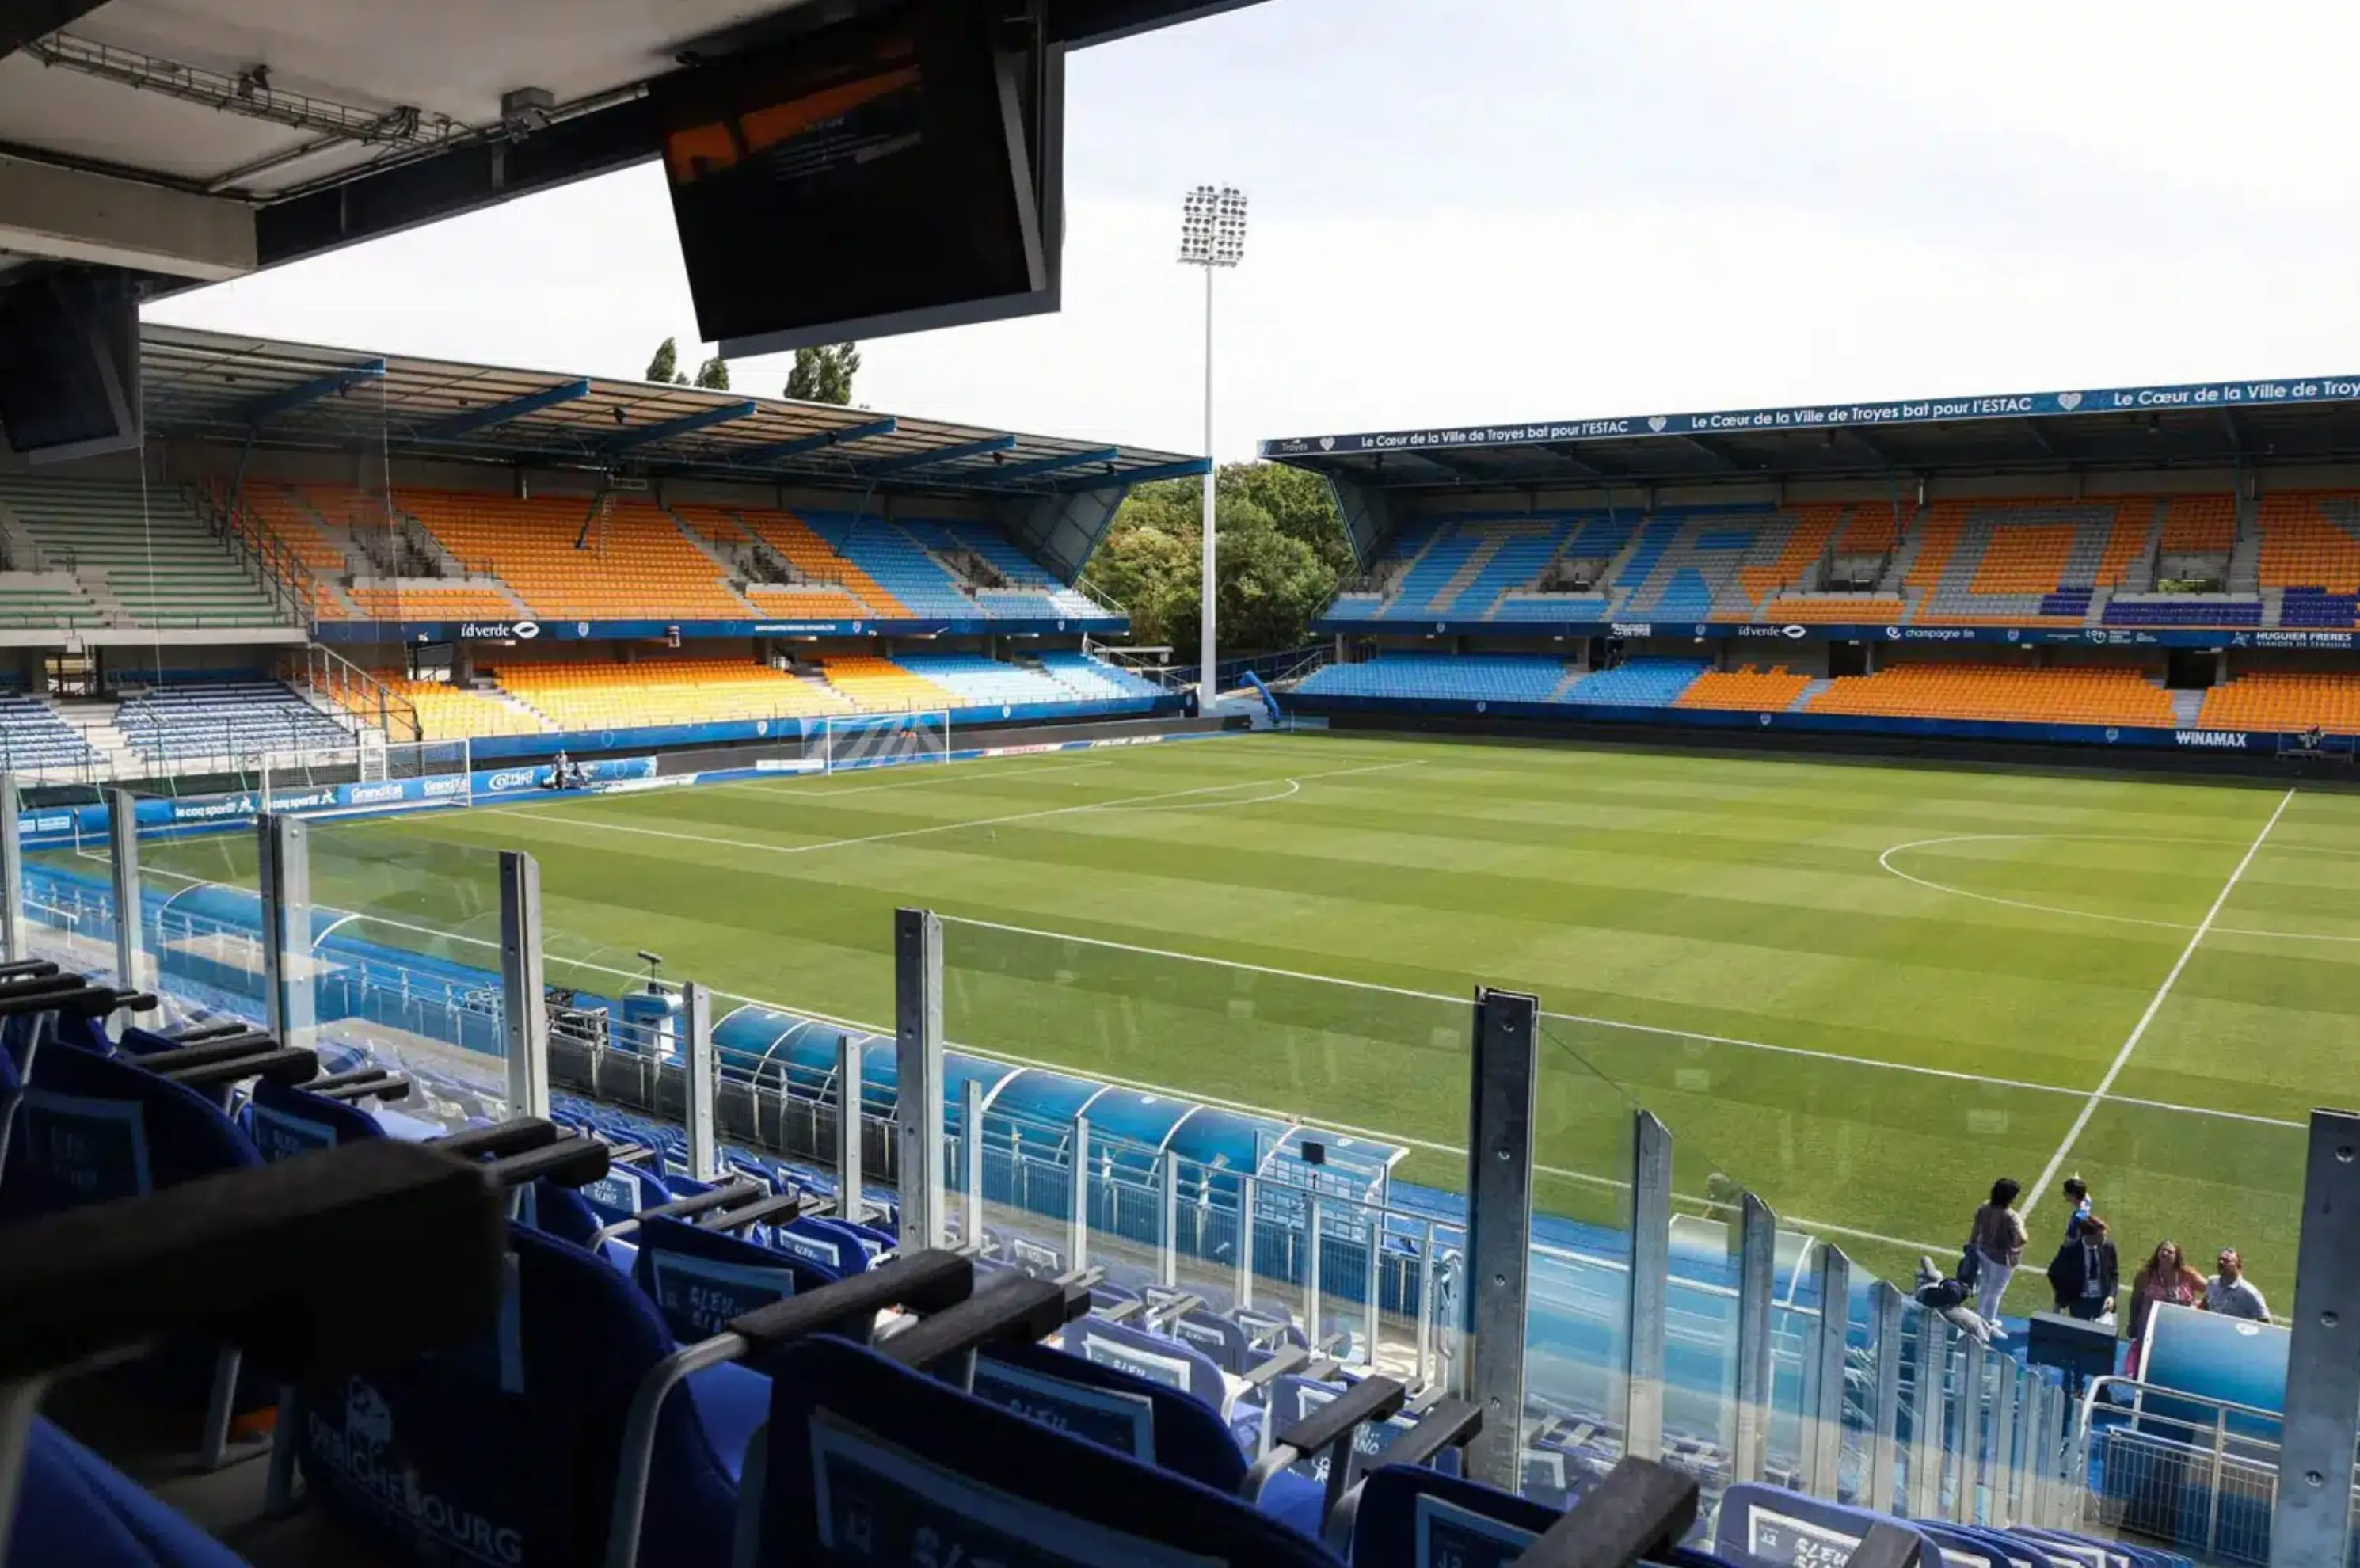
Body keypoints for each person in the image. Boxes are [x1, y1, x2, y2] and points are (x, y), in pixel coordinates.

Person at [2127, 1239, 2207, 1357]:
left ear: (2176, 1257)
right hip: (2150, 1329)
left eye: (2170, 1252)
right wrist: (2133, 1324)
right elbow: (2135, 1301)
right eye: (2163, 1250)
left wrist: (2201, 1306)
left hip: (2180, 1331)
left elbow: (2212, 1290)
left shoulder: (2186, 1275)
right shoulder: (2146, 1275)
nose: (2165, 1253)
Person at [1968, 1178, 2029, 1327]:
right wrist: (2014, 1247)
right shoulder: (2012, 1216)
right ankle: (1987, 1321)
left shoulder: (1984, 1207)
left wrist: (1972, 1244)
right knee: (1996, 1291)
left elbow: (1976, 1229)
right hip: (2002, 1258)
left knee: (1985, 1285)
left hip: (1983, 1251)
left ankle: (1980, 1315)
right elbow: (2022, 1238)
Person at [2046, 1213, 2118, 1323]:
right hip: (2079, 1302)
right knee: (2081, 1335)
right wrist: (2064, 1294)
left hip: (2102, 1301)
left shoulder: (2108, 1247)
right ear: (2089, 1236)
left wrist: (2111, 1296)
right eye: (2101, 1237)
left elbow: (2114, 1274)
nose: (2104, 1240)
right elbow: (2053, 1273)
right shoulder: (2070, 1250)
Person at [2206, 1249, 2270, 1323]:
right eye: (2220, 1260)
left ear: (2238, 1266)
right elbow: (2205, 1305)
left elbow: (2265, 1321)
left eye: (2227, 1261)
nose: (2221, 1263)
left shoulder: (2249, 1293)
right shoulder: (2212, 1282)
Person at [2061, 1176, 2093, 1243]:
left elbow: (2070, 1239)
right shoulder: (2086, 1199)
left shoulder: (2077, 1218)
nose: (2064, 1194)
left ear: (2074, 1195)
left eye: (2066, 1193)